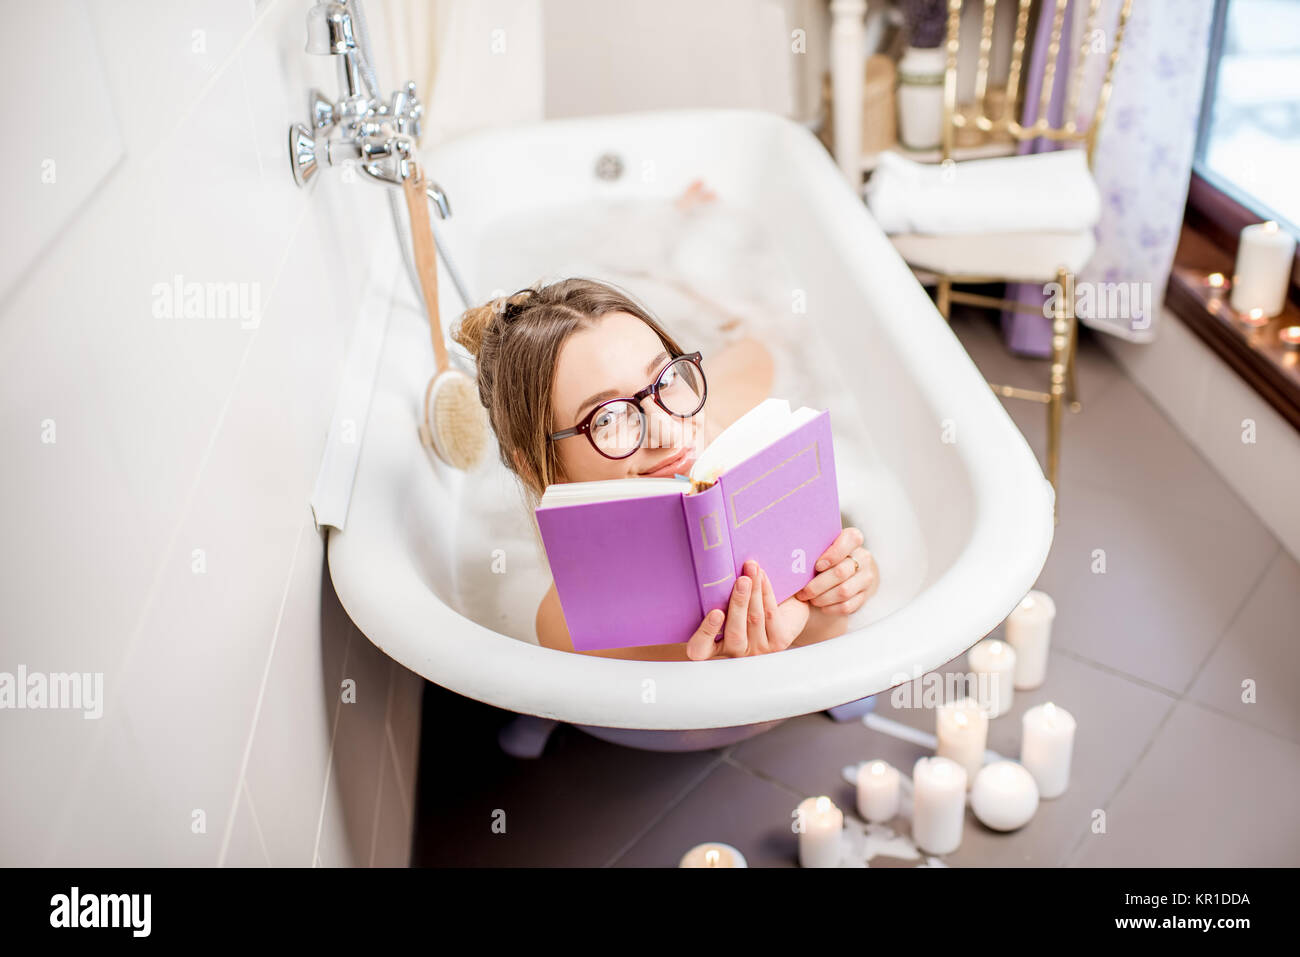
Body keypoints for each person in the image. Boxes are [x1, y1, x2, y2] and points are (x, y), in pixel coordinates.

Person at [453, 277, 879, 661]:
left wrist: (846, 587)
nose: (667, 431)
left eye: (665, 377)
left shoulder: (734, 438)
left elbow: (760, 347)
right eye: (607, 417)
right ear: (538, 467)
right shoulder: (568, 626)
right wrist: (741, 665)